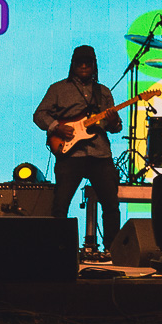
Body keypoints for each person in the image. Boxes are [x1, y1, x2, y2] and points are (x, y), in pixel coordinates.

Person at [33, 46, 122, 262]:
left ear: (94, 65)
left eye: (88, 63)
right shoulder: (57, 89)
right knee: (60, 204)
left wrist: (112, 121)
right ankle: (58, 251)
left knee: (111, 204)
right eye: (80, 62)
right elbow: (39, 115)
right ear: (72, 64)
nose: (84, 66)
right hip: (70, 155)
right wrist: (56, 127)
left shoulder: (104, 92)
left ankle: (113, 250)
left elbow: (116, 127)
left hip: (100, 154)